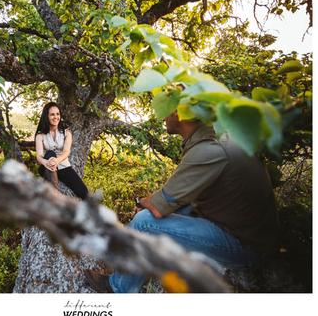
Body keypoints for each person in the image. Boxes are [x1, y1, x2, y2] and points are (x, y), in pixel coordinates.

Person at [85, 111, 279, 293]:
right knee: (154, 216)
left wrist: (140, 201)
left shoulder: (209, 149)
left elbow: (160, 204)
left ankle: (118, 288)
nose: (162, 116)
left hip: (243, 246)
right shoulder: (217, 137)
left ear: (181, 114)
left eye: (167, 109)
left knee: (144, 222)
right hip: (237, 227)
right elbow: (178, 196)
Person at [35, 102, 88, 200]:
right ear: (46, 116)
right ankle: (53, 195)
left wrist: (56, 161)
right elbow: (39, 156)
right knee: (50, 153)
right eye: (52, 114)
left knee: (84, 192)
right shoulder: (40, 135)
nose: (55, 117)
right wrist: (47, 162)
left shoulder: (66, 132)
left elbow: (66, 152)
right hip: (46, 166)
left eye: (57, 114)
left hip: (63, 165)